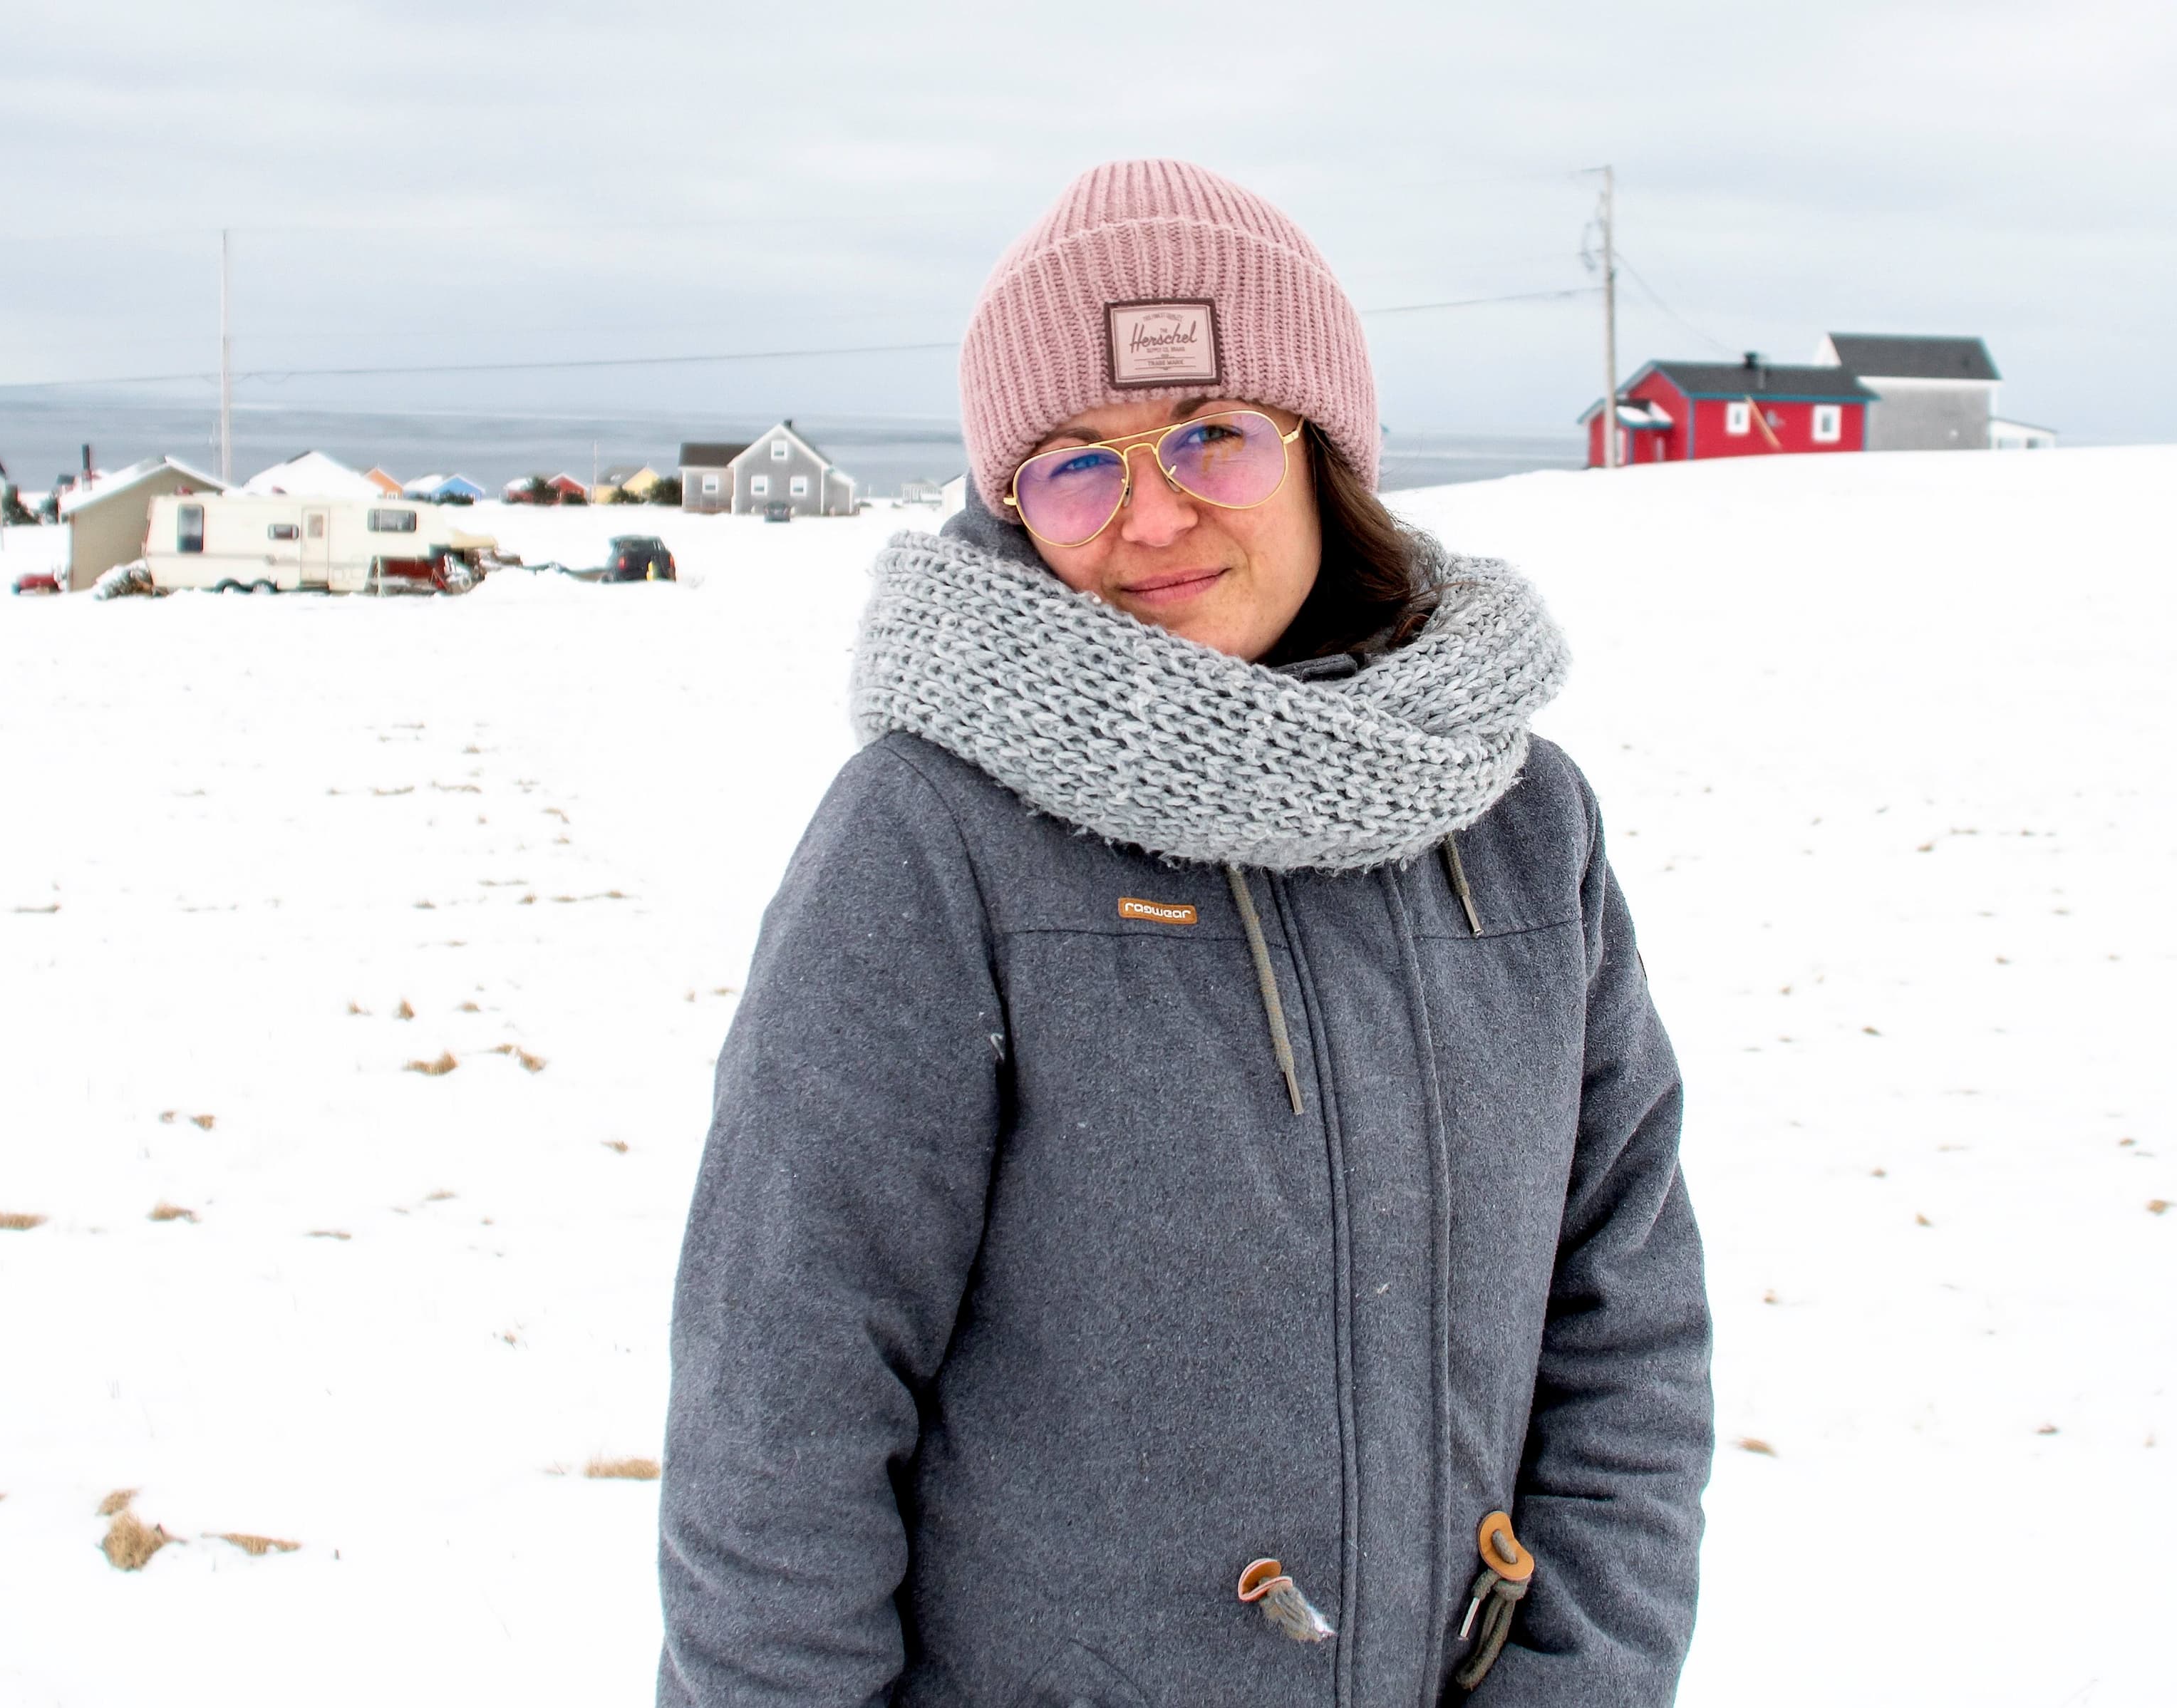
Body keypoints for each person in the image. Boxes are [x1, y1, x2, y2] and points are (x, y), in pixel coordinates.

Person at [658, 160, 1712, 1707]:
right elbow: (784, 1405)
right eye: (1076, 464)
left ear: (1324, 452)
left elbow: (1627, 1322)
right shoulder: (930, 836)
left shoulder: (1520, 819)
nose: (1151, 514)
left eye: (1212, 433)